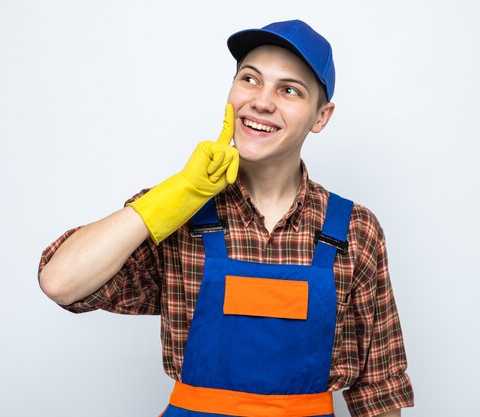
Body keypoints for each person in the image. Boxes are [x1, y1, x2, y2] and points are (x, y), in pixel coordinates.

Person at [39, 19, 414, 417]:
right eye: (250, 80)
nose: (262, 102)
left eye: (289, 90)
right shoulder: (179, 211)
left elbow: (379, 389)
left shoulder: (354, 230)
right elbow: (61, 282)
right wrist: (179, 192)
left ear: (321, 117)